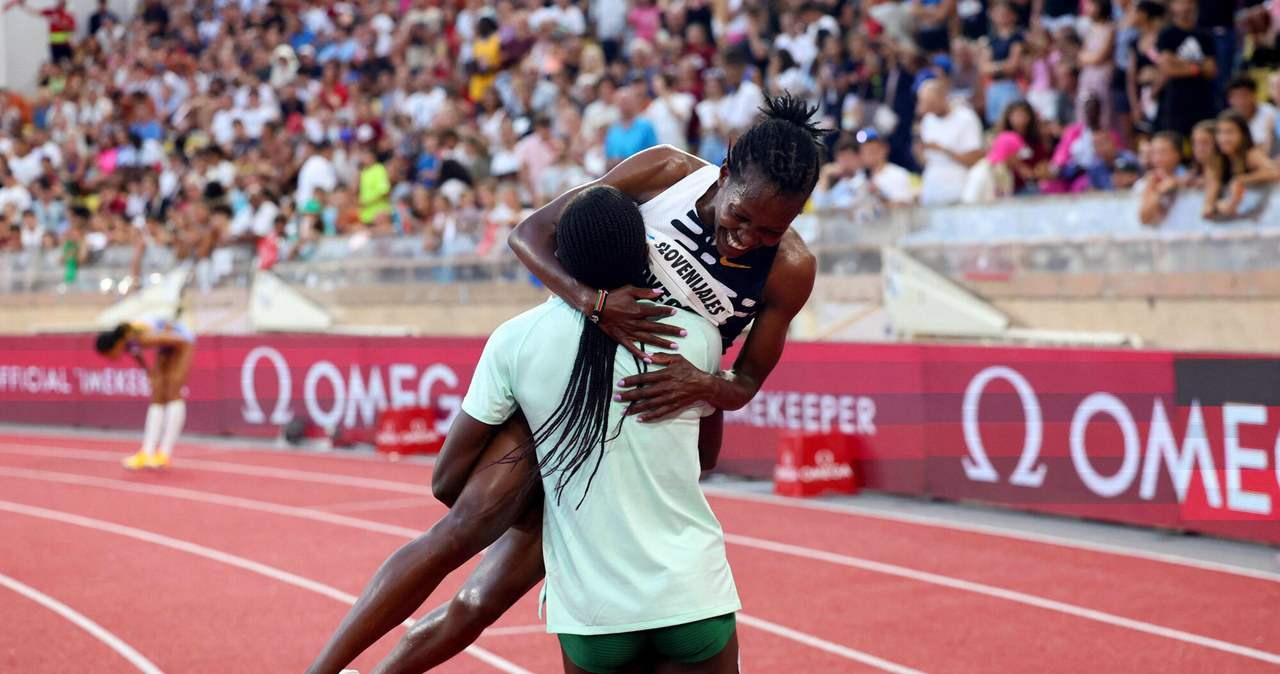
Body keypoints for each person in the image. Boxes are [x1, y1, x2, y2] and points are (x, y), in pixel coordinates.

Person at [305, 93, 824, 674]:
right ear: (723, 175)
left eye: (771, 229)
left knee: (479, 600)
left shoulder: (791, 269)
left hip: (648, 414)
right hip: (566, 382)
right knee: (464, 529)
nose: (747, 240)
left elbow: (746, 380)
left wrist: (703, 383)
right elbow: (532, 232)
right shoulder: (666, 173)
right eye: (740, 218)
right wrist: (594, 303)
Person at [94, 310, 195, 470]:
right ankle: (146, 452)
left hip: (182, 342)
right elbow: (137, 355)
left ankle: (164, 453)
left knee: (173, 390)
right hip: (166, 345)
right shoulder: (127, 341)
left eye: (109, 355)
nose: (110, 359)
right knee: (158, 396)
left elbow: (180, 340)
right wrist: (150, 373)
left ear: (114, 345)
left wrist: (176, 371)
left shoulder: (142, 336)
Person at [916, 79, 985, 206]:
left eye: (932, 103)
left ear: (943, 97)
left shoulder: (966, 117)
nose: (930, 109)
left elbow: (976, 158)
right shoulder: (927, 120)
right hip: (931, 192)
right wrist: (919, 152)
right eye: (926, 104)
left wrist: (943, 150)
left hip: (957, 190)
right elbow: (928, 162)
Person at [1155, 0, 1217, 138]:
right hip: (1175, 102)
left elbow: (1211, 70)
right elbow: (1167, 68)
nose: (1185, 7)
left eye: (1189, 2)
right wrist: (1198, 69)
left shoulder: (1205, 35)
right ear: (1172, 6)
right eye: (1181, 2)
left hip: (1203, 100)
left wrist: (1177, 62)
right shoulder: (1166, 34)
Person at [1202, 110, 1280, 219]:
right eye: (1220, 132)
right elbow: (1209, 201)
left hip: (1260, 216)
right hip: (1233, 222)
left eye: (1230, 132)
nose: (1224, 139)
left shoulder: (1251, 154)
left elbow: (1275, 172)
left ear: (1243, 134)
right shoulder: (1215, 162)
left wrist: (1241, 179)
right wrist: (1217, 205)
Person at [1137, 131, 1186, 226]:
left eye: (1163, 152)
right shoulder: (1148, 181)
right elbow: (1144, 218)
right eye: (1154, 152)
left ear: (1177, 154)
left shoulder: (1187, 175)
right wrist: (1159, 191)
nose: (1158, 157)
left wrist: (1179, 182)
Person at [1225, 76, 1279, 158]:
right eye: (1236, 97)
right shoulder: (1227, 120)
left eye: (1244, 95)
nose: (1240, 101)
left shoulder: (1271, 113)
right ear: (1229, 100)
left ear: (1254, 94)